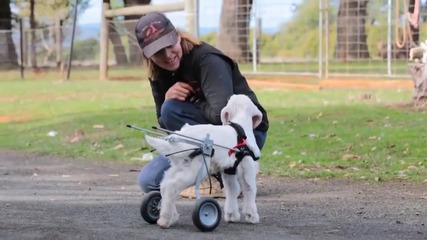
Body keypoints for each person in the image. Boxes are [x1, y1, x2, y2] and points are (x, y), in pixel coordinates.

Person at [134, 11, 269, 194]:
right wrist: (168, 96)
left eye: (169, 45)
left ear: (178, 36)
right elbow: (164, 122)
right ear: (147, 55)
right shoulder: (157, 72)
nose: (167, 55)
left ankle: (219, 177)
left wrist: (190, 101)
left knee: (172, 109)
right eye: (158, 52)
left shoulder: (208, 60)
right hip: (200, 137)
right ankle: (206, 174)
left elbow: (222, 116)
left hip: (243, 137)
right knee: (149, 181)